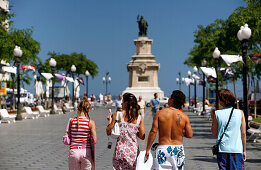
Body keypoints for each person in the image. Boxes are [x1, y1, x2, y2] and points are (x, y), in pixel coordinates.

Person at [146, 90, 193, 170]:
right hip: (178, 150)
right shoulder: (184, 116)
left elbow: (153, 131)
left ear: (172, 100)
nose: (168, 99)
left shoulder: (159, 113)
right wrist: (179, 130)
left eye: (170, 97)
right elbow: (189, 135)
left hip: (163, 148)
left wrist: (148, 149)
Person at [106, 93, 145, 170]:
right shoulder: (139, 117)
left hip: (120, 151)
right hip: (133, 152)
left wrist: (110, 120)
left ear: (126, 103)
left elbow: (108, 132)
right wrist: (133, 131)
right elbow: (142, 136)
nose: (121, 103)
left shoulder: (118, 115)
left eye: (122, 101)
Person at [211, 89, 246, 170]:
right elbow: (243, 133)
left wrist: (213, 119)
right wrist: (244, 150)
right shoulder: (240, 113)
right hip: (237, 149)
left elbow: (214, 133)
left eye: (219, 99)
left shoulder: (217, 113)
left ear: (222, 101)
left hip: (222, 149)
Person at [67, 96, 97, 170]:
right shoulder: (90, 122)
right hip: (86, 152)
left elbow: (69, 134)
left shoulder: (72, 121)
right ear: (88, 110)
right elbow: (95, 140)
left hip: (74, 151)